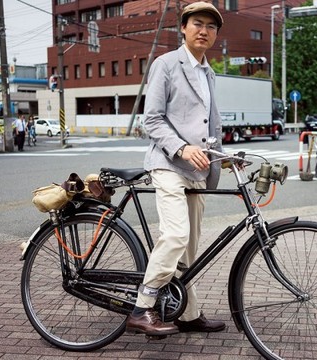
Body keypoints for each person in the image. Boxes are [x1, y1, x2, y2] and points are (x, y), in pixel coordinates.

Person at [125, 1, 226, 337]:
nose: (204, 31)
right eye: (197, 24)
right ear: (183, 28)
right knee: (175, 235)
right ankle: (143, 307)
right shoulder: (167, 64)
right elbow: (151, 119)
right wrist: (182, 147)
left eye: (211, 27)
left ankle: (188, 313)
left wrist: (224, 156)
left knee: (191, 249)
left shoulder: (209, 72)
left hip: (198, 170)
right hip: (168, 163)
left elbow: (209, 125)